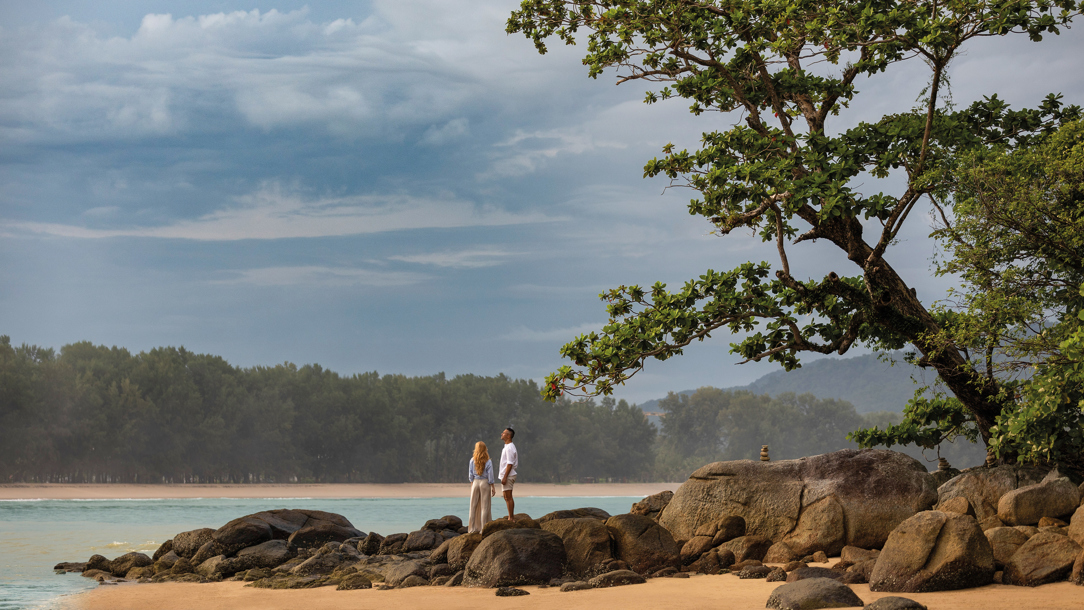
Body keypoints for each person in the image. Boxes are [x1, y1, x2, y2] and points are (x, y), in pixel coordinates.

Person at [467, 441, 496, 533]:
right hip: (484, 483)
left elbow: (470, 474)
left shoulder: (472, 460)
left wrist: (472, 484)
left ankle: (472, 528)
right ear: (485, 449)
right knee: (485, 506)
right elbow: (490, 475)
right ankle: (483, 528)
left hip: (475, 482)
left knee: (473, 506)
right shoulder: (488, 461)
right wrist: (493, 486)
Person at [499, 427, 518, 520]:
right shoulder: (507, 446)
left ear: (508, 436)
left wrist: (505, 477)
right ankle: (510, 516)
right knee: (506, 497)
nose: (502, 434)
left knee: (508, 496)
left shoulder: (510, 447)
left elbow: (510, 464)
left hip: (509, 475)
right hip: (506, 474)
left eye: (504, 433)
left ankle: (511, 517)